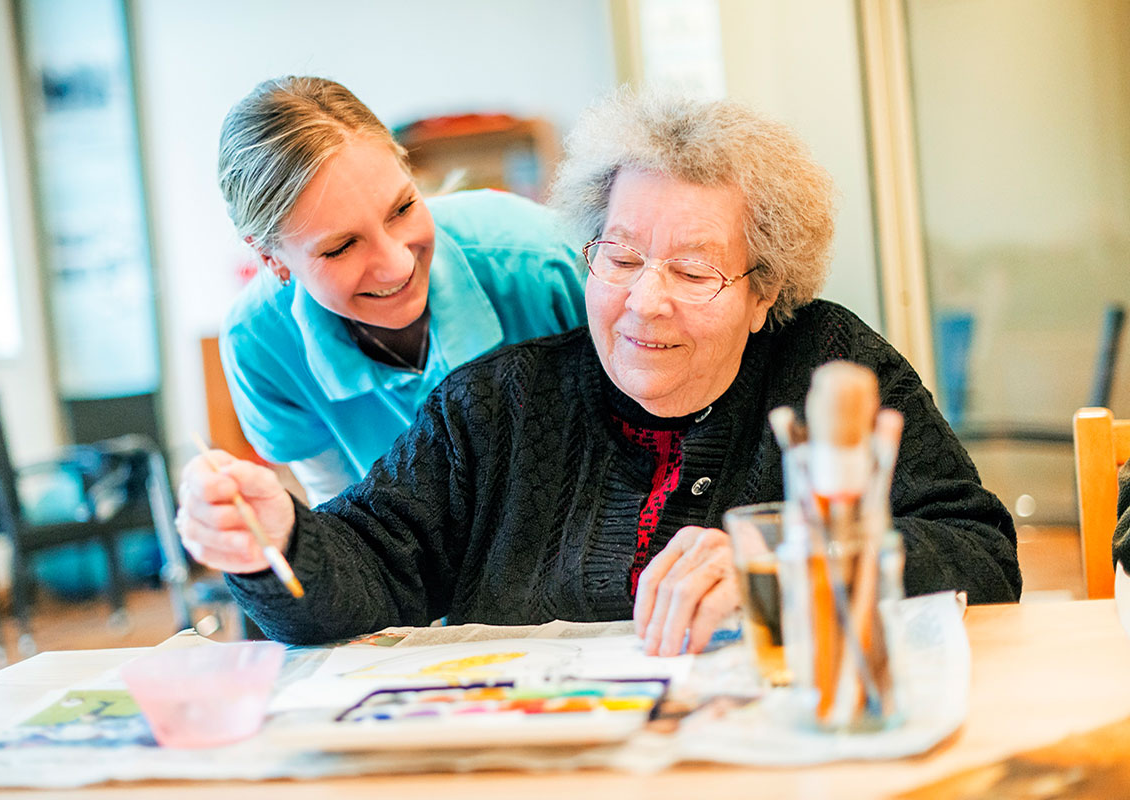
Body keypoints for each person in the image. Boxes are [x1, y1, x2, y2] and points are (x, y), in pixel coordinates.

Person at [179, 89, 1020, 657]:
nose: (642, 303)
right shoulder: (494, 401)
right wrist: (280, 539)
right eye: (618, 259)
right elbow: (369, 565)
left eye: (693, 273)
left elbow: (982, 552)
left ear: (764, 291)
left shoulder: (829, 366)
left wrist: (786, 564)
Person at [216, 77, 587, 504]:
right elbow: (345, 513)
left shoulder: (542, 262)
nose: (398, 265)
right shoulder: (262, 346)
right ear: (270, 258)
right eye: (341, 247)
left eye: (404, 208)